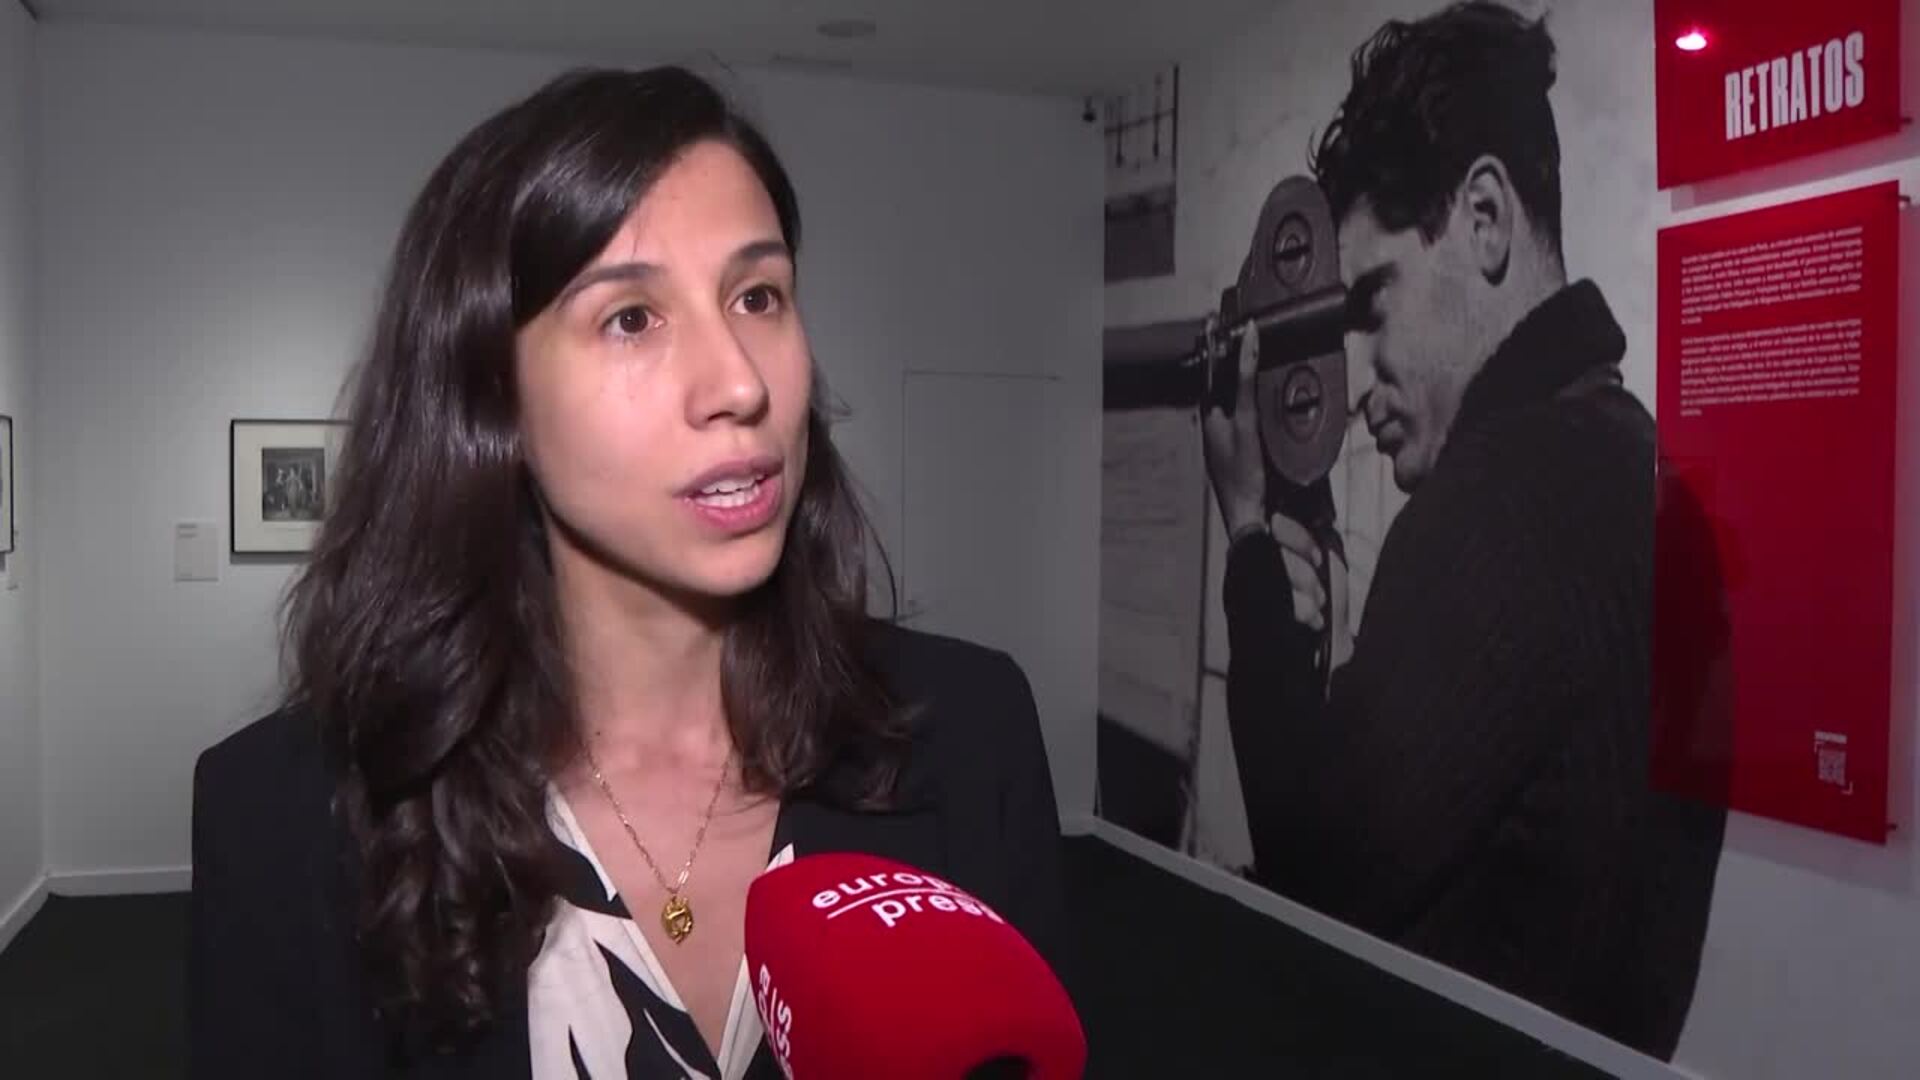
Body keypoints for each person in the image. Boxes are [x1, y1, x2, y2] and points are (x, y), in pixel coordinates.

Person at [187, 65, 1072, 1079]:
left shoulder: (973, 732)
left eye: (758, 295)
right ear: (493, 399)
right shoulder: (287, 817)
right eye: (631, 318)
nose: (739, 381)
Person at [1200, 1, 1725, 1061]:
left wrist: (1248, 536)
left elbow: (1308, 871)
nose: (1360, 378)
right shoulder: (1639, 471)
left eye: (1375, 304)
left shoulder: (1511, 493)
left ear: (1485, 217)